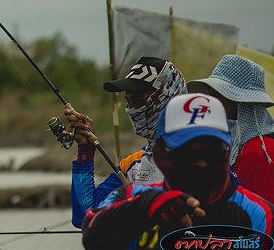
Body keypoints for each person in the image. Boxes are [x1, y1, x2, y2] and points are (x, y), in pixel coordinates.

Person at [82, 93, 274, 250]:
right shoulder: (135, 197)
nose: (202, 163)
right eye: (188, 153)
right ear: (159, 155)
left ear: (228, 152)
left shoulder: (267, 220)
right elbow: (93, 238)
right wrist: (144, 207)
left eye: (213, 152)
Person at [64, 56, 186, 227]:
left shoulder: (205, 160)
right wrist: (85, 150)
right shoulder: (131, 165)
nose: (132, 110)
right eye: (128, 101)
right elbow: (85, 217)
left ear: (168, 98)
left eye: (139, 101)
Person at [187, 54, 274, 216]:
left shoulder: (256, 152)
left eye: (219, 95)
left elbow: (252, 223)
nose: (210, 101)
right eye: (210, 93)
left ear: (243, 104)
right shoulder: (245, 145)